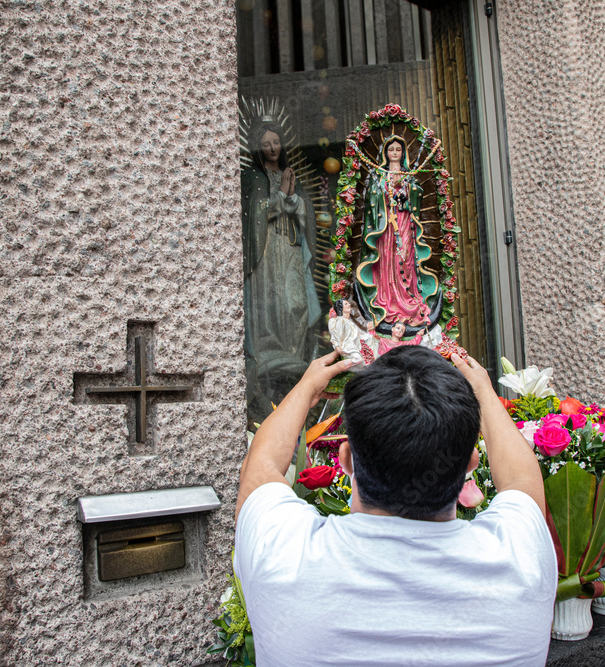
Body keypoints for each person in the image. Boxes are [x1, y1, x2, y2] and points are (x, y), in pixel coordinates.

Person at [234, 347, 557, 666]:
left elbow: (261, 471)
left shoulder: (283, 560)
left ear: (345, 459)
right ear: (471, 463)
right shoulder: (521, 562)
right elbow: (521, 482)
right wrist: (484, 394)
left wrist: (306, 389)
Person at [241, 122, 321, 424]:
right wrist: (278, 200)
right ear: (257, 146)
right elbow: (249, 216)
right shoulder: (250, 179)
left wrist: (293, 199)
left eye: (276, 141)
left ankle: (293, 356)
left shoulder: (293, 178)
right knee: (270, 305)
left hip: (289, 251)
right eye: (266, 142)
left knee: (295, 302)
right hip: (264, 257)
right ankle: (268, 358)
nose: (272, 147)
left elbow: (307, 214)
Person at [355, 135, 440, 327]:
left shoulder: (408, 176)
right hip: (386, 226)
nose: (394, 152)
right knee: (388, 259)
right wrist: (384, 191)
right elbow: (373, 197)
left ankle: (408, 298)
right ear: (386, 152)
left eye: (398, 150)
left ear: (403, 153)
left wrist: (408, 190)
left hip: (404, 221)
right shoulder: (379, 175)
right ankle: (388, 299)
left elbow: (417, 192)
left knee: (406, 259)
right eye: (391, 149)